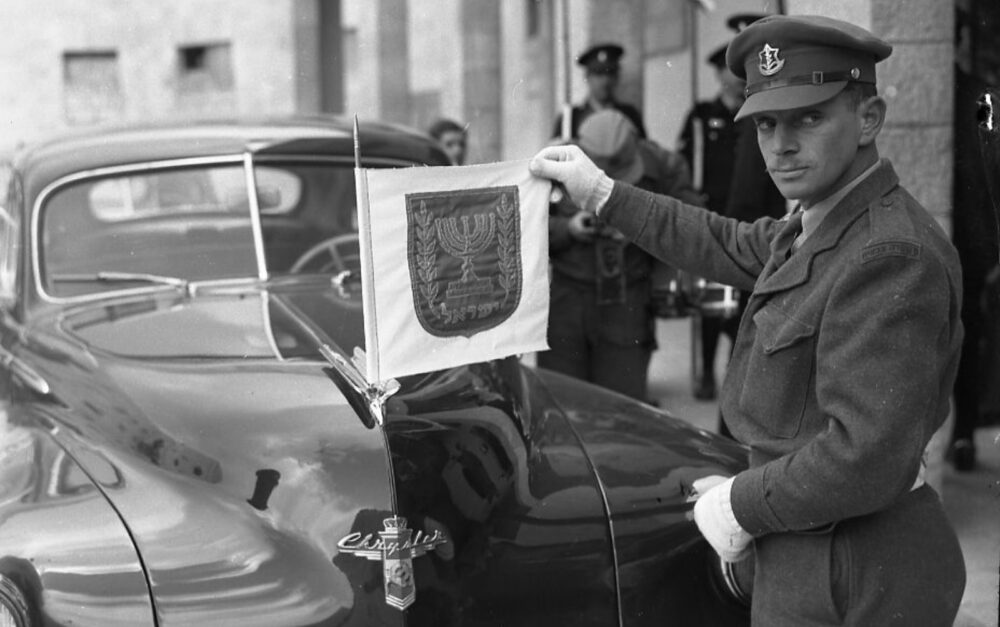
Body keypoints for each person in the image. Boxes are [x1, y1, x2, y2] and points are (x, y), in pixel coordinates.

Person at [530, 14, 966, 625]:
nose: (781, 145)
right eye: (766, 123)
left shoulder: (889, 255)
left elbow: (866, 456)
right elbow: (724, 240)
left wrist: (739, 504)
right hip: (809, 544)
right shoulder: (822, 222)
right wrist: (604, 194)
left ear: (869, 119)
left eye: (808, 118)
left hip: (859, 569)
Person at [539, 109, 697, 402]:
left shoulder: (663, 166)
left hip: (627, 301)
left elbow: (689, 225)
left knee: (622, 407)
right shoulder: (552, 163)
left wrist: (641, 230)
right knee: (562, 401)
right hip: (567, 300)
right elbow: (526, 226)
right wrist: (568, 228)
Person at [551, 43, 647, 140]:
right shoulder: (571, 118)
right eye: (599, 74)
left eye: (610, 73)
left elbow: (644, 151)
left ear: (617, 77)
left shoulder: (629, 115)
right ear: (587, 77)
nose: (605, 81)